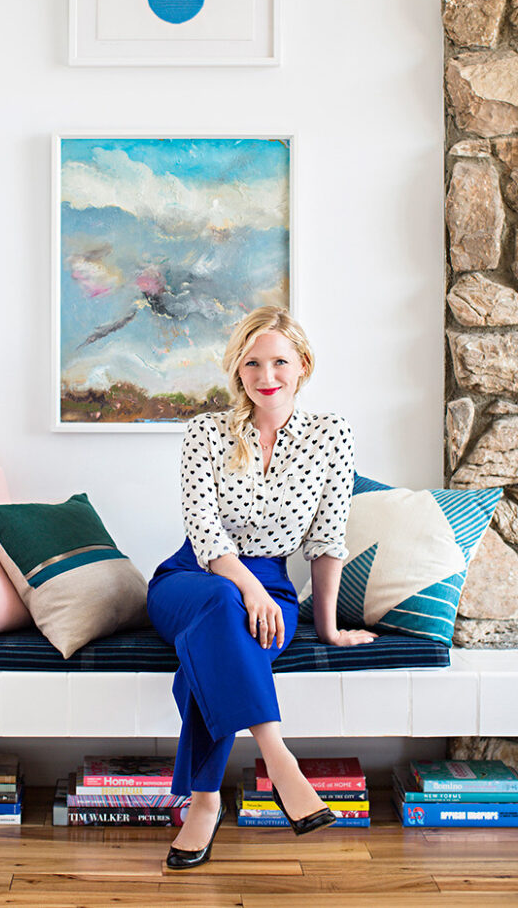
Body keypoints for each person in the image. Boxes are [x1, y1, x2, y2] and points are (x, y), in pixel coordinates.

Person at [146, 305, 378, 870]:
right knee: (223, 600)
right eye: (251, 363)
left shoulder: (331, 435)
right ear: (237, 370)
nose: (266, 375)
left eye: (279, 361)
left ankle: (204, 803)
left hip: (274, 585)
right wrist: (248, 588)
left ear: (303, 365)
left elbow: (327, 539)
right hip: (190, 579)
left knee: (214, 644)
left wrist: (329, 629)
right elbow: (203, 530)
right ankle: (280, 759)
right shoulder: (205, 433)